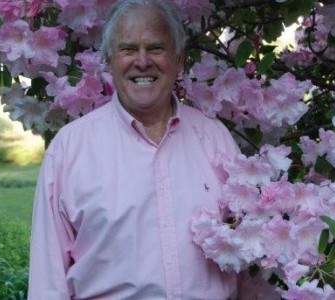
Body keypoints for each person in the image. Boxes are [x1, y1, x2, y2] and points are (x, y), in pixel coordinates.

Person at [27, 0, 241, 299]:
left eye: (156, 48)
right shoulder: (70, 148)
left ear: (179, 61)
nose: (142, 61)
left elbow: (248, 260)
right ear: (109, 61)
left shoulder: (216, 139)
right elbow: (47, 283)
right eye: (128, 49)